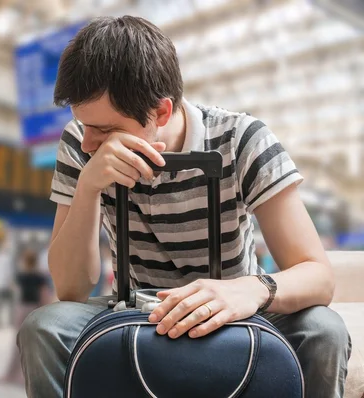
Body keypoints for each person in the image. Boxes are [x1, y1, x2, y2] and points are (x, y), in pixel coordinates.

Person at [17, 16, 351, 398]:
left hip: (236, 307)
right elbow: (71, 288)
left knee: (324, 330)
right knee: (42, 327)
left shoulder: (241, 139)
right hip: (135, 307)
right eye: (82, 123)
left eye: (106, 130)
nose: (90, 142)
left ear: (160, 112)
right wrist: (89, 186)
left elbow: (318, 276)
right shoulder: (80, 142)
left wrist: (248, 291)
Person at [0, 249, 48, 387]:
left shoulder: (21, 276)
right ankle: (31, 376)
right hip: (35, 310)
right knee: (34, 344)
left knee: (18, 343)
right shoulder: (40, 277)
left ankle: (11, 375)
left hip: (22, 309)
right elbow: (44, 296)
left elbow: (14, 290)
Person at [0, 233, 16, 329]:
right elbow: (8, 272)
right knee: (10, 305)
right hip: (6, 285)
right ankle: (10, 322)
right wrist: (11, 283)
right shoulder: (7, 258)